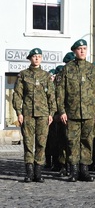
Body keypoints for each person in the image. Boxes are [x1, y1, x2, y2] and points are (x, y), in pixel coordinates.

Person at [56, 39, 95, 182]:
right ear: (74, 51)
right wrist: (62, 111)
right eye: (79, 49)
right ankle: (74, 171)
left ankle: (85, 170)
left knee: (87, 141)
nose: (83, 51)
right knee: (72, 142)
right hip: (72, 113)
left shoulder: (93, 69)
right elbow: (60, 92)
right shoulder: (67, 69)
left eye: (84, 48)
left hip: (90, 113)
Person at [12, 48, 57, 182]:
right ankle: (29, 172)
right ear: (30, 59)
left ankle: (38, 172)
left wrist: (51, 113)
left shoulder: (46, 76)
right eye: (34, 56)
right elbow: (18, 95)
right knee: (28, 142)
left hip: (43, 114)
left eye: (39, 56)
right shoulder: (23, 75)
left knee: (41, 143)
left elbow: (51, 96)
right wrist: (19, 113)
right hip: (28, 114)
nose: (37, 58)